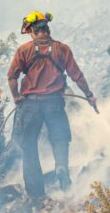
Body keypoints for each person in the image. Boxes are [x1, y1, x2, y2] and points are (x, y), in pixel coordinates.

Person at [7, 11, 97, 203]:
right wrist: (89, 95)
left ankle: (37, 195)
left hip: (30, 106)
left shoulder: (24, 50)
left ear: (32, 31)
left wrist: (16, 97)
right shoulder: (62, 49)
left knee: (29, 146)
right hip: (55, 103)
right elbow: (77, 75)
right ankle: (61, 168)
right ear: (47, 29)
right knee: (60, 139)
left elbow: (12, 77)